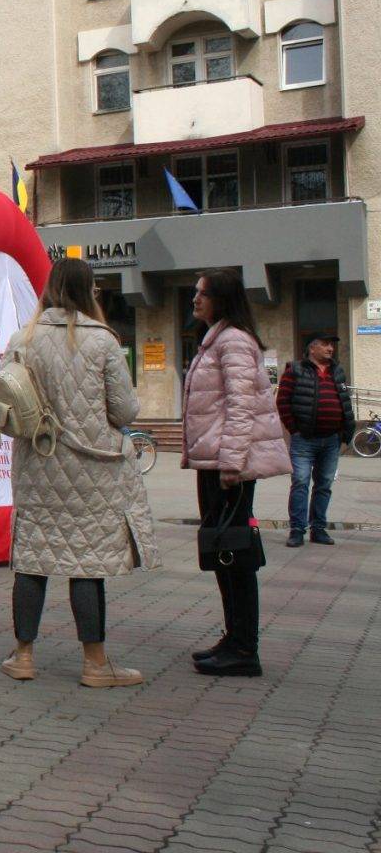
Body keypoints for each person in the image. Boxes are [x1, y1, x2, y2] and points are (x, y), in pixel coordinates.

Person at [0, 258, 159, 688]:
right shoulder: (102, 342)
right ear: (91, 291)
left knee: (32, 561)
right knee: (85, 563)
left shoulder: (22, 339)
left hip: (37, 465)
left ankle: (24, 657)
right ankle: (95, 663)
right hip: (92, 471)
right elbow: (124, 410)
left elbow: (5, 401)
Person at [182, 269, 291, 677]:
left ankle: (245, 649)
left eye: (202, 294)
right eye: (194, 293)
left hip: (228, 467)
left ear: (221, 299)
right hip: (215, 463)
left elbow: (241, 408)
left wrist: (230, 463)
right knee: (222, 551)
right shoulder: (216, 340)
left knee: (235, 554)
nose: (195, 300)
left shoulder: (233, 342)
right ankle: (234, 638)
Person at [276, 333, 354, 547]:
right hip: (304, 440)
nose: (330, 348)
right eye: (325, 344)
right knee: (300, 483)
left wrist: (347, 431)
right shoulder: (295, 370)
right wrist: (295, 430)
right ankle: (297, 531)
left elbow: (345, 401)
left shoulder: (337, 371)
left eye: (332, 345)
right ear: (312, 348)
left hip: (331, 440)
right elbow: (283, 402)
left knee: (324, 485)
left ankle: (318, 529)